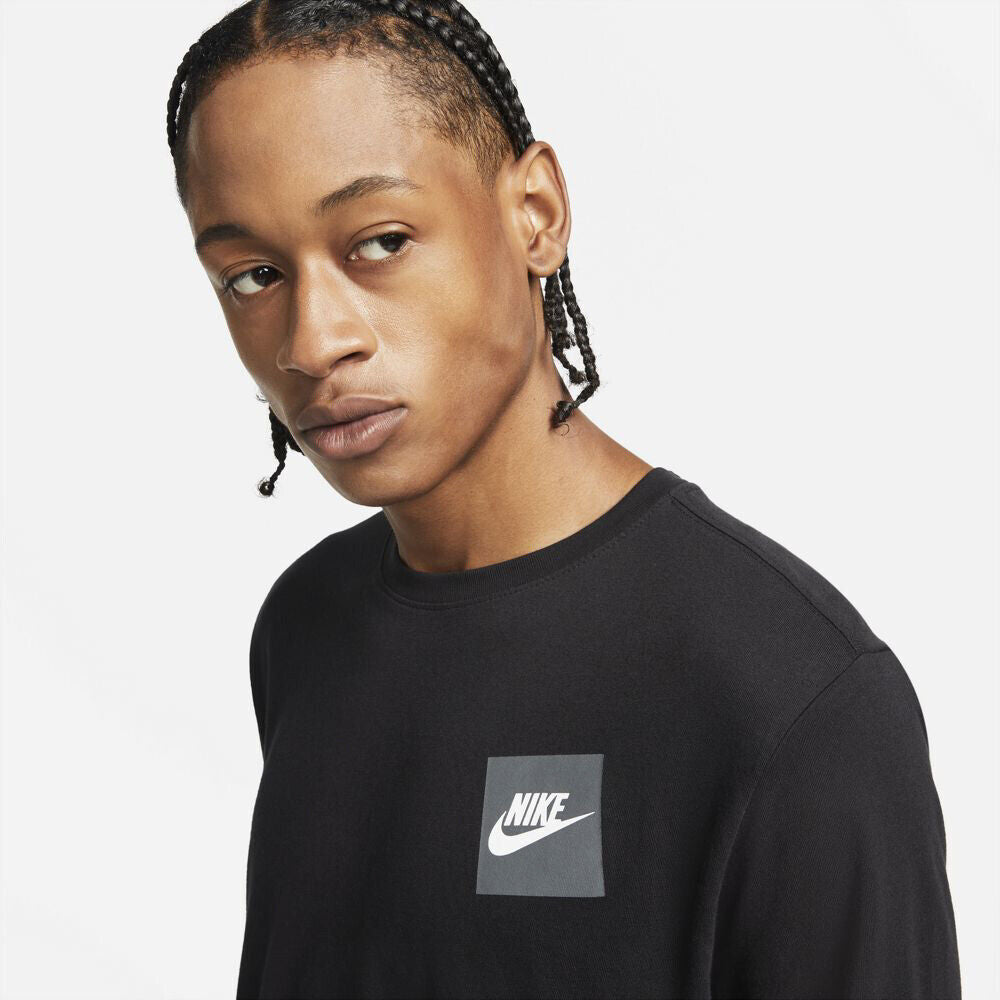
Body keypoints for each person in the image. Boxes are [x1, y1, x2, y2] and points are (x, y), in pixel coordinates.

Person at [166, 2, 963, 997]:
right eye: (252, 276)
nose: (313, 341)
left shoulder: (791, 692)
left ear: (534, 213)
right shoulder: (304, 624)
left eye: (380, 242)